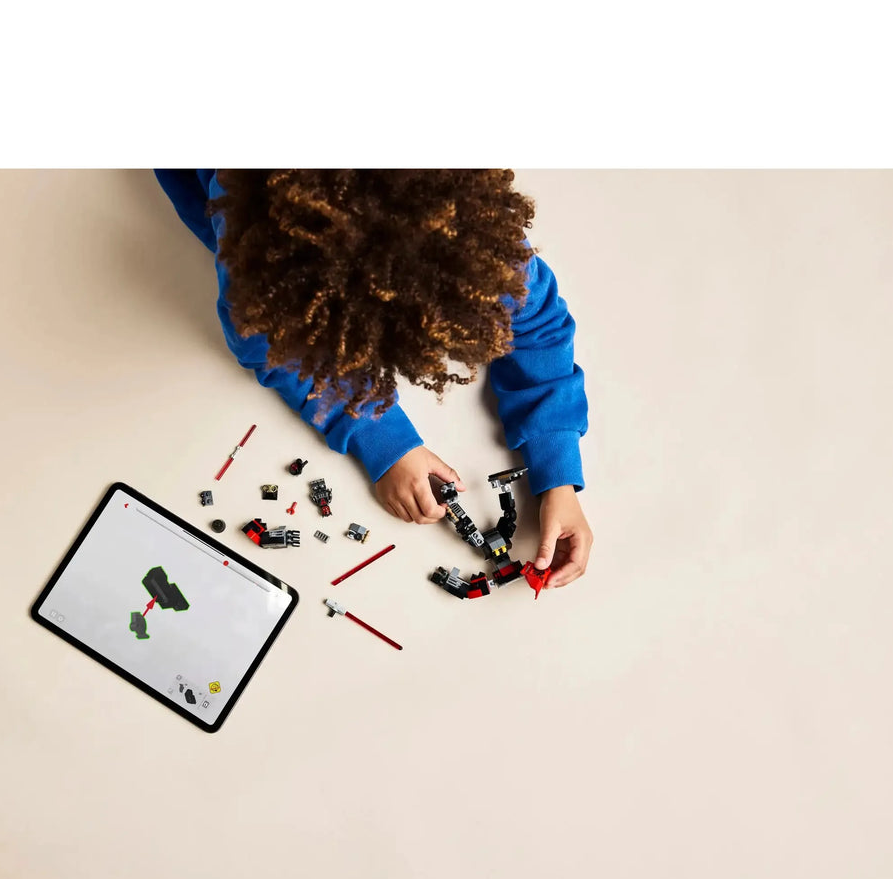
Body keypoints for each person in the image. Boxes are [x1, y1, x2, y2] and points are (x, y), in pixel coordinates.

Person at [154, 169, 592, 588]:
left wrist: (557, 470)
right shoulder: (262, 271)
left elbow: (536, 323)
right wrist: (380, 436)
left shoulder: (466, 231)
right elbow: (271, 351)